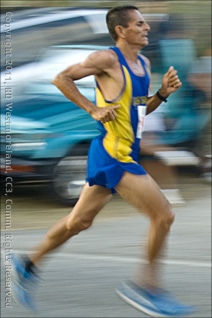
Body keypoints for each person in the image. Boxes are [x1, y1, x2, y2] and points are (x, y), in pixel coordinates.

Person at [11, 5, 194, 317]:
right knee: (163, 215)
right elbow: (62, 78)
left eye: (145, 23)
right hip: (113, 155)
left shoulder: (145, 64)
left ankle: (28, 264)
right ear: (121, 30)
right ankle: (147, 288)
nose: (147, 27)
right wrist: (92, 109)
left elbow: (138, 112)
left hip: (124, 152)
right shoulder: (106, 59)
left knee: (78, 222)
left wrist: (162, 94)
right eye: (139, 23)